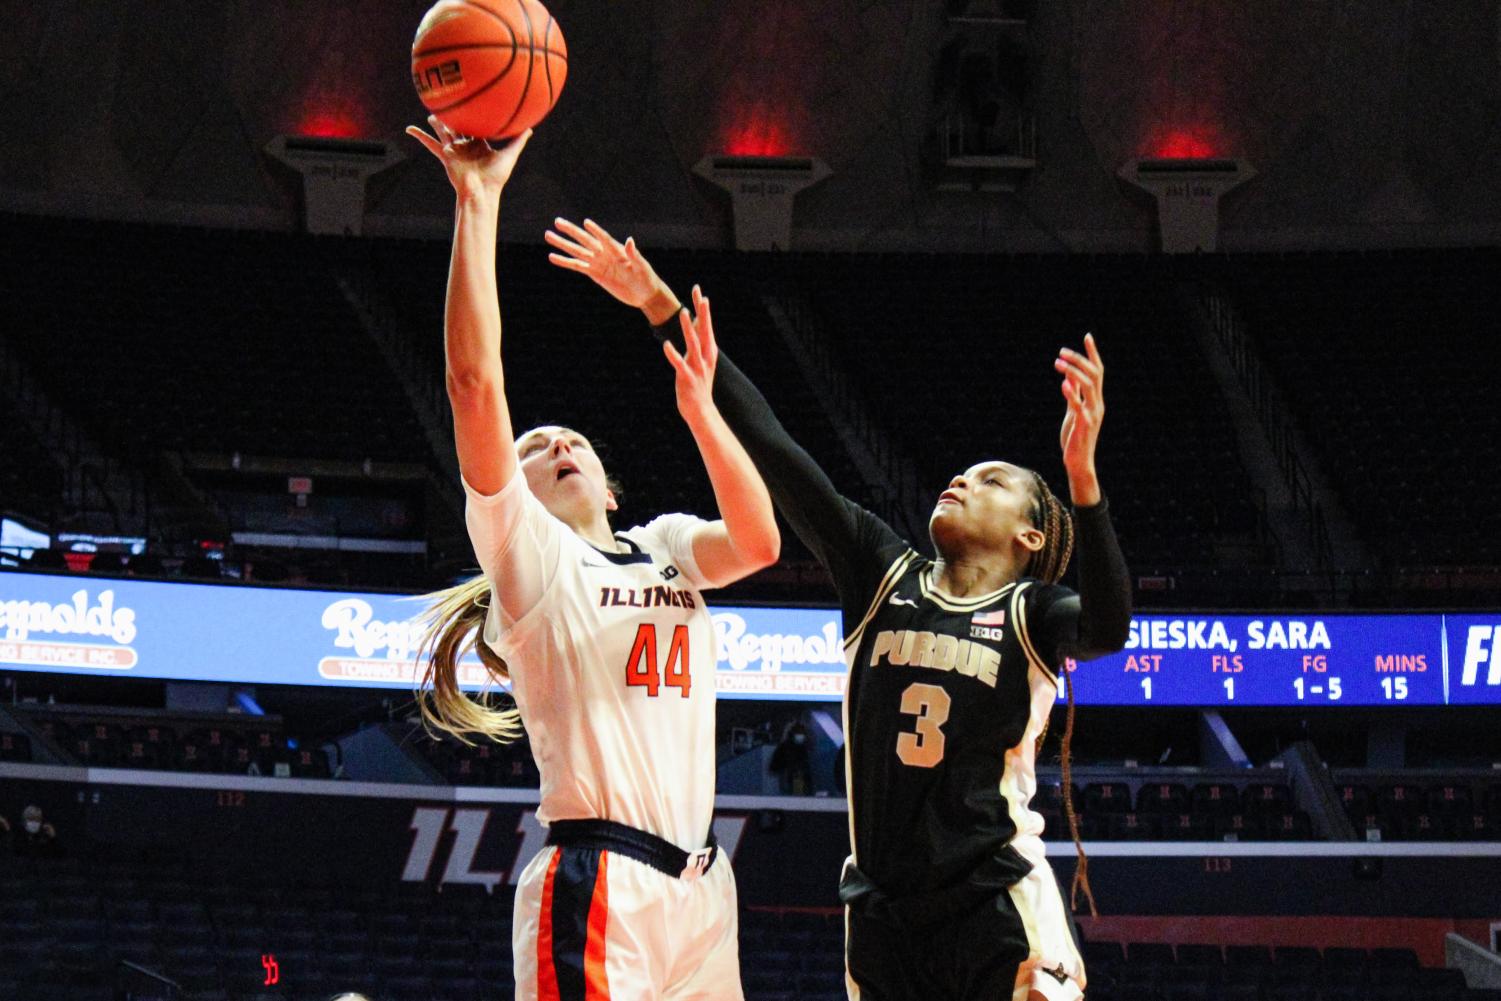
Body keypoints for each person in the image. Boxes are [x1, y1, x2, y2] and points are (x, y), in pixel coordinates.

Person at [546, 220, 1132, 1001]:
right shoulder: (879, 571)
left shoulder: (1032, 609)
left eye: (989, 480)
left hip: (994, 898)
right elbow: (776, 447)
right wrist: (659, 306)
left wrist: (1082, 482)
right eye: (959, 473)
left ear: (1030, 532)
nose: (959, 481)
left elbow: (1107, 629)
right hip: (882, 914)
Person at [406, 119, 780, 1001]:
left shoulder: (664, 544)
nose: (558, 443)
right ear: (518, 493)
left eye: (573, 438)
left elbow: (759, 540)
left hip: (702, 889)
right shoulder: (530, 560)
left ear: (612, 487)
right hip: (598, 876)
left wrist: (701, 415)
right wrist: (477, 200)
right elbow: (473, 383)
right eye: (536, 447)